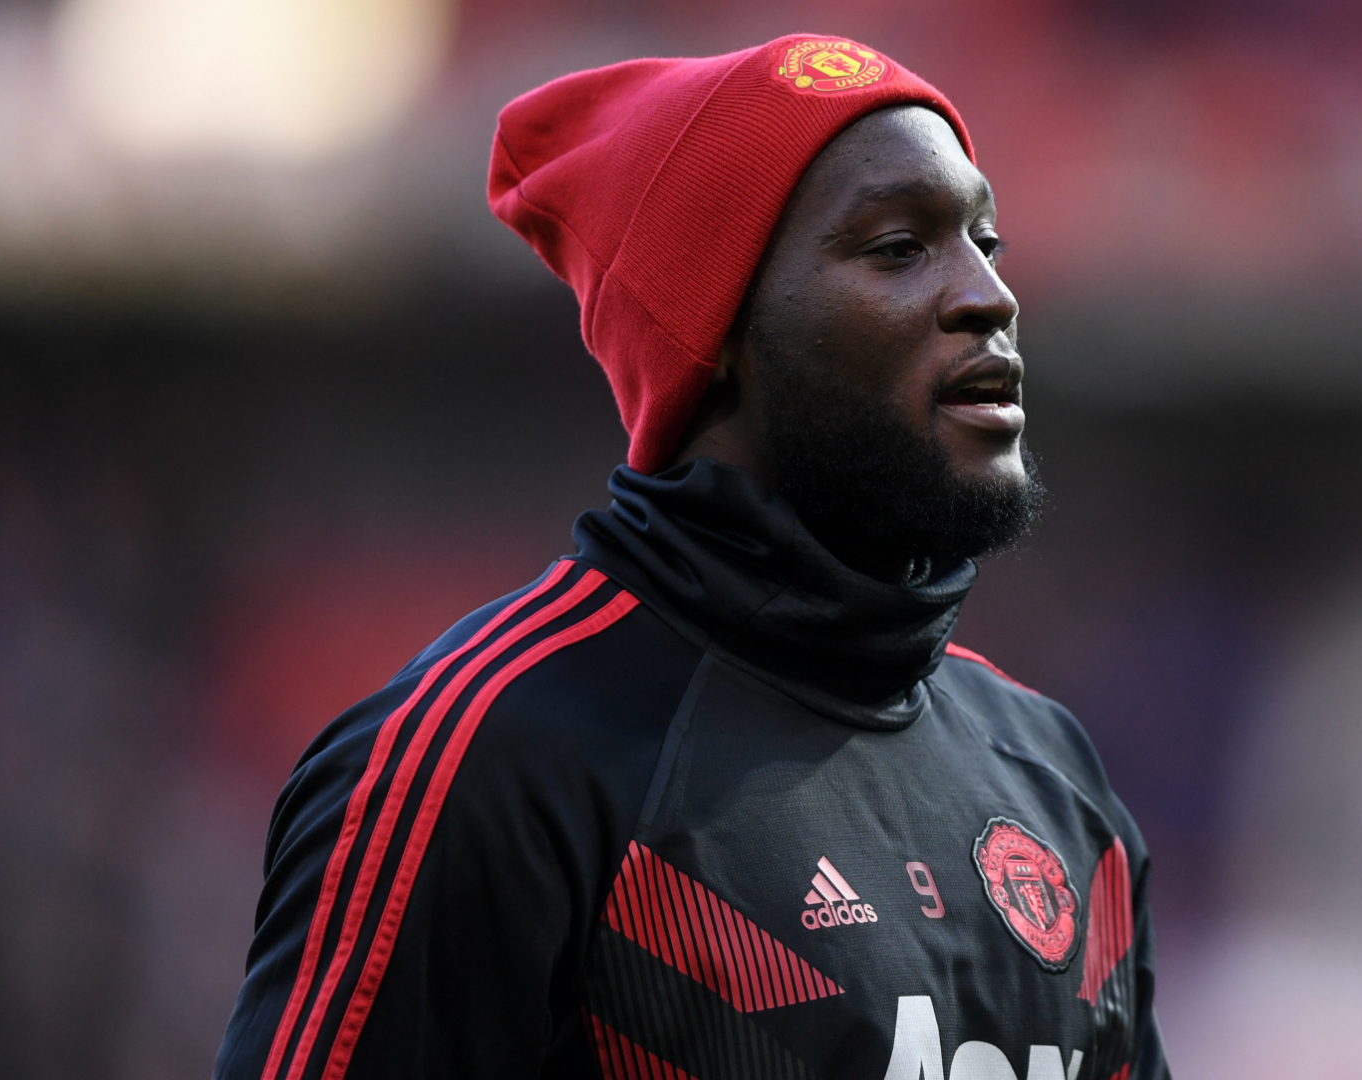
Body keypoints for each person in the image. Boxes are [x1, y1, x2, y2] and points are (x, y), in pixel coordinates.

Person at [215, 35, 1168, 1080]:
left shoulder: (1056, 780)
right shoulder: (492, 762)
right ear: (716, 336)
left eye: (985, 240)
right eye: (900, 247)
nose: (990, 295)